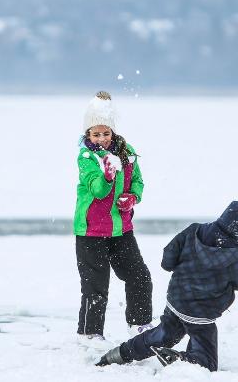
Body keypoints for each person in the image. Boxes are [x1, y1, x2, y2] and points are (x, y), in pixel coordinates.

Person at [96, 201, 238, 372]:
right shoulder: (237, 257)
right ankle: (180, 359)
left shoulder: (194, 231)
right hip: (201, 315)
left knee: (164, 334)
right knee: (207, 361)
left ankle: (118, 354)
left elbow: (167, 261)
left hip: (177, 300)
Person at [74, 91, 153, 346]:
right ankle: (90, 334)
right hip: (91, 232)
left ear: (112, 131)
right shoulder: (87, 158)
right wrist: (107, 176)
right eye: (96, 134)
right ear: (88, 134)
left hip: (121, 229)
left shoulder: (127, 151)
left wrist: (133, 197)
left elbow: (138, 181)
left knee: (139, 276)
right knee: (96, 286)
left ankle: (140, 325)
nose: (102, 139)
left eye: (106, 133)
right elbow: (97, 190)